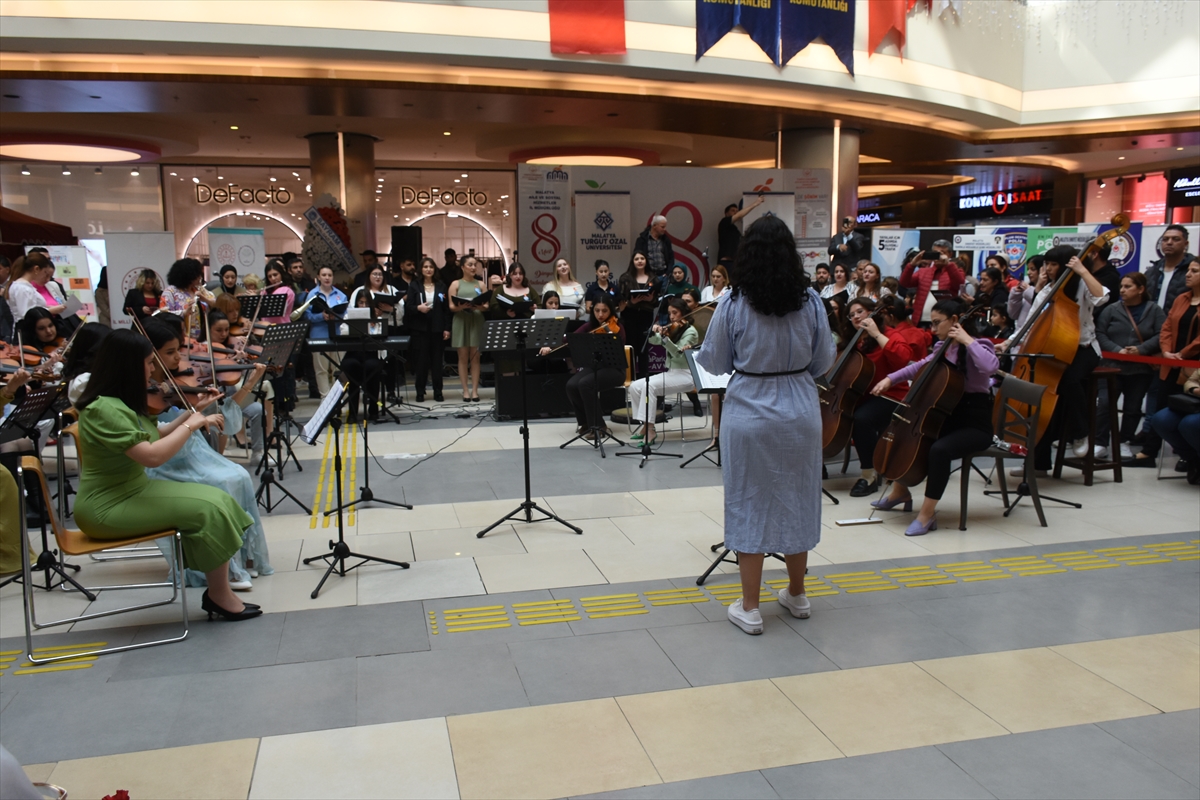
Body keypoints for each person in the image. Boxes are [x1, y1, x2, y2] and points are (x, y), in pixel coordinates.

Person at [696, 215, 835, 635]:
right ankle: (797, 593)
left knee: (748, 499)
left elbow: (715, 362)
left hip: (750, 407)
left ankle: (751, 606)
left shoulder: (734, 302)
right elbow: (824, 360)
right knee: (798, 495)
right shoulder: (810, 299)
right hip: (799, 405)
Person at [73, 329, 262, 621]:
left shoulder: (119, 402)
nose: (153, 369)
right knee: (207, 508)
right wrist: (191, 425)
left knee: (218, 498)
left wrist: (192, 412)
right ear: (127, 365)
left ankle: (218, 591)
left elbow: (156, 432)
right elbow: (152, 454)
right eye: (148, 362)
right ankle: (219, 595)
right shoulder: (103, 409)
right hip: (105, 506)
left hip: (134, 490)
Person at [141, 320, 272, 586]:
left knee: (239, 475)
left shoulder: (181, 380)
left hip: (196, 454)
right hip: (167, 461)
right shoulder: (140, 392)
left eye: (179, 349)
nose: (179, 358)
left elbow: (227, 421)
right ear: (150, 355)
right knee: (220, 482)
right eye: (170, 352)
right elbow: (151, 435)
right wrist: (193, 418)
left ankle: (242, 555)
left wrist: (248, 384)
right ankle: (223, 568)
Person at [868, 300, 1000, 535]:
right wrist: (890, 379)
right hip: (948, 416)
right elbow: (918, 366)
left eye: (938, 323)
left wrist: (966, 340)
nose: (933, 328)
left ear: (956, 321)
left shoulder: (980, 345)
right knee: (912, 437)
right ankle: (900, 492)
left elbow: (991, 367)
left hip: (975, 423)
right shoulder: (942, 347)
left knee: (940, 450)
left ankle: (927, 515)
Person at [996, 245, 1110, 475]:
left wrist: (1082, 271)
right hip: (1054, 349)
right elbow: (1030, 324)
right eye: (1046, 264)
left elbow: (1101, 298)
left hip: (1084, 348)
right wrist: (1008, 343)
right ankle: (1037, 464)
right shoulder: (1048, 290)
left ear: (1068, 264)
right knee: (1038, 398)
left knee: (1068, 378)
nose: (1048, 268)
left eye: (1054, 264)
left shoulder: (1082, 286)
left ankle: (1080, 433)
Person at [1128, 259, 1200, 468]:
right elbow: (1167, 327)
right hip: (1170, 362)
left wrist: (1183, 354)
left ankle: (1189, 456)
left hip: (1193, 367)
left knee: (1188, 411)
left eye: (1194, 271)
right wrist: (1168, 351)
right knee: (1160, 410)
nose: (1188, 274)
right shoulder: (1182, 298)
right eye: (1188, 270)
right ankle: (1149, 452)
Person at [845, 297, 914, 496]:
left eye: (860, 311)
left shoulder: (889, 334)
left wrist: (876, 334)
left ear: (872, 313)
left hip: (892, 396)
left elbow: (903, 360)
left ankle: (869, 475)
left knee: (861, 418)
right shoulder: (855, 342)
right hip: (866, 397)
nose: (856, 317)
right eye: (851, 315)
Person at [1094, 272, 1165, 460]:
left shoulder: (1154, 310)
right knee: (1105, 404)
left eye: (1128, 287)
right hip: (1111, 367)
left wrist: (1141, 349)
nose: (1123, 291)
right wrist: (1117, 349)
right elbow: (1100, 333)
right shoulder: (1111, 309)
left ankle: (1123, 441)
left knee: (1133, 407)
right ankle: (1100, 442)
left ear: (1141, 289)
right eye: (1122, 287)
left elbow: (1161, 334)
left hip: (1140, 369)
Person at [538, 296, 626, 437]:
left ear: (611, 311)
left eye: (604, 311)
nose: (600, 315)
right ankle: (585, 423)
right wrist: (550, 345)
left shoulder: (617, 327)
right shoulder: (589, 325)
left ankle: (598, 425)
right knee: (571, 385)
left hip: (614, 370)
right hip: (596, 367)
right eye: (597, 311)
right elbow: (568, 339)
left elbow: (617, 353)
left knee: (585, 384)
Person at [627, 298, 698, 445]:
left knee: (649, 387)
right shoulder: (672, 328)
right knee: (634, 386)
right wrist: (653, 332)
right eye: (670, 313)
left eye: (675, 313)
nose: (671, 317)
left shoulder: (691, 331)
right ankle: (645, 426)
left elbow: (678, 353)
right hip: (671, 372)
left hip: (687, 375)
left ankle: (650, 430)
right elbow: (655, 341)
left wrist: (665, 339)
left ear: (683, 313)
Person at [405, 257, 451, 403]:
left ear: (435, 269)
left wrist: (447, 328)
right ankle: (420, 391)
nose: (428, 269)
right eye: (425, 267)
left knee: (437, 363)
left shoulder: (441, 286)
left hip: (437, 329)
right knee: (421, 363)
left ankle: (438, 391)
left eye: (431, 267)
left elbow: (446, 310)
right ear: (421, 269)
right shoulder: (414, 285)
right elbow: (408, 307)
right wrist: (418, 308)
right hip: (420, 329)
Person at [1149, 366, 1200, 484]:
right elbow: (1191, 380)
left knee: (1190, 423)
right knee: (1161, 419)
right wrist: (1195, 389)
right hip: (1196, 402)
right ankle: (1193, 459)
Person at [304, 265, 349, 397]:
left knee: (337, 368)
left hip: (337, 334)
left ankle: (338, 397)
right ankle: (325, 397)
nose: (327, 278)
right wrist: (321, 316)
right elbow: (307, 315)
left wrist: (336, 316)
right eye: (324, 275)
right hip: (319, 334)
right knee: (321, 369)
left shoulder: (341, 295)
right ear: (318, 277)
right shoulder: (312, 294)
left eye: (329, 275)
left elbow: (346, 315)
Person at [448, 255, 486, 401]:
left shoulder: (481, 284)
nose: (473, 267)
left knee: (475, 357)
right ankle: (465, 390)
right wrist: (461, 307)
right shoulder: (455, 284)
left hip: (476, 319)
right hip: (461, 319)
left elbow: (487, 306)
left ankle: (475, 390)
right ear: (462, 267)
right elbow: (451, 307)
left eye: (474, 265)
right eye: (470, 264)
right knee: (463, 357)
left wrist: (479, 306)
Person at [618, 250, 659, 377]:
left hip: (646, 316)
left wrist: (650, 299)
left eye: (642, 258)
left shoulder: (654, 278)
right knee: (630, 347)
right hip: (629, 315)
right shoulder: (625, 277)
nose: (640, 261)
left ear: (646, 261)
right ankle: (629, 378)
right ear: (633, 261)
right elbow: (621, 301)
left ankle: (643, 379)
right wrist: (631, 302)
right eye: (637, 259)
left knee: (644, 349)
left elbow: (658, 300)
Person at [900, 248, 965, 325]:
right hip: (921, 321)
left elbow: (960, 284)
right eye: (935, 254)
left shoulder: (955, 270)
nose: (938, 256)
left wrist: (948, 264)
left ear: (949, 255)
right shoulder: (923, 271)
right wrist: (912, 265)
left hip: (943, 322)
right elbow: (904, 283)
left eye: (941, 254)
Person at [1145, 225, 1194, 315]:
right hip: (1152, 325)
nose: (1169, 242)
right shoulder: (1152, 271)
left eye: (1176, 239)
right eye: (1165, 239)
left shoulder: (1193, 271)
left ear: (1186, 244)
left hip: (1180, 324)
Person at [160, 257, 212, 341]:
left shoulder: (199, 289)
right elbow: (163, 315)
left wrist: (205, 299)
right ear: (188, 276)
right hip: (181, 338)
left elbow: (217, 304)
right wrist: (183, 312)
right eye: (197, 275)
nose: (200, 277)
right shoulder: (171, 291)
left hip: (202, 337)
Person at [6, 252, 67, 322]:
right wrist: (50, 310)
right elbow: (27, 315)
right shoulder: (23, 288)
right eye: (45, 273)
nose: (46, 278)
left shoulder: (24, 286)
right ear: (36, 269)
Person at [716, 196, 765, 267]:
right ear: (726, 213)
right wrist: (755, 203)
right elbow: (739, 216)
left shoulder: (735, 229)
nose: (735, 212)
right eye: (733, 210)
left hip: (735, 262)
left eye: (737, 211)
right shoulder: (724, 222)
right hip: (726, 262)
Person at [1007, 256, 1041, 331]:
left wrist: (1029, 290)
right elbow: (1013, 315)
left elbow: (1040, 304)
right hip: (1019, 335)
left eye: (1033, 269)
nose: (1029, 273)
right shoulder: (1026, 290)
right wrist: (1016, 295)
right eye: (1028, 269)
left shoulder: (1045, 290)